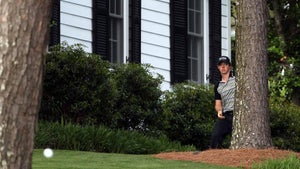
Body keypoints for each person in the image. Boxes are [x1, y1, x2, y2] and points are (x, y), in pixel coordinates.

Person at [210, 56, 235, 149]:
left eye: (225, 65)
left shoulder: (237, 80)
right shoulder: (217, 86)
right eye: (221, 65)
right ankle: (213, 157)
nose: (223, 67)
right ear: (218, 67)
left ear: (229, 66)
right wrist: (219, 111)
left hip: (238, 114)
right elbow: (218, 103)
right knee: (215, 136)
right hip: (225, 115)